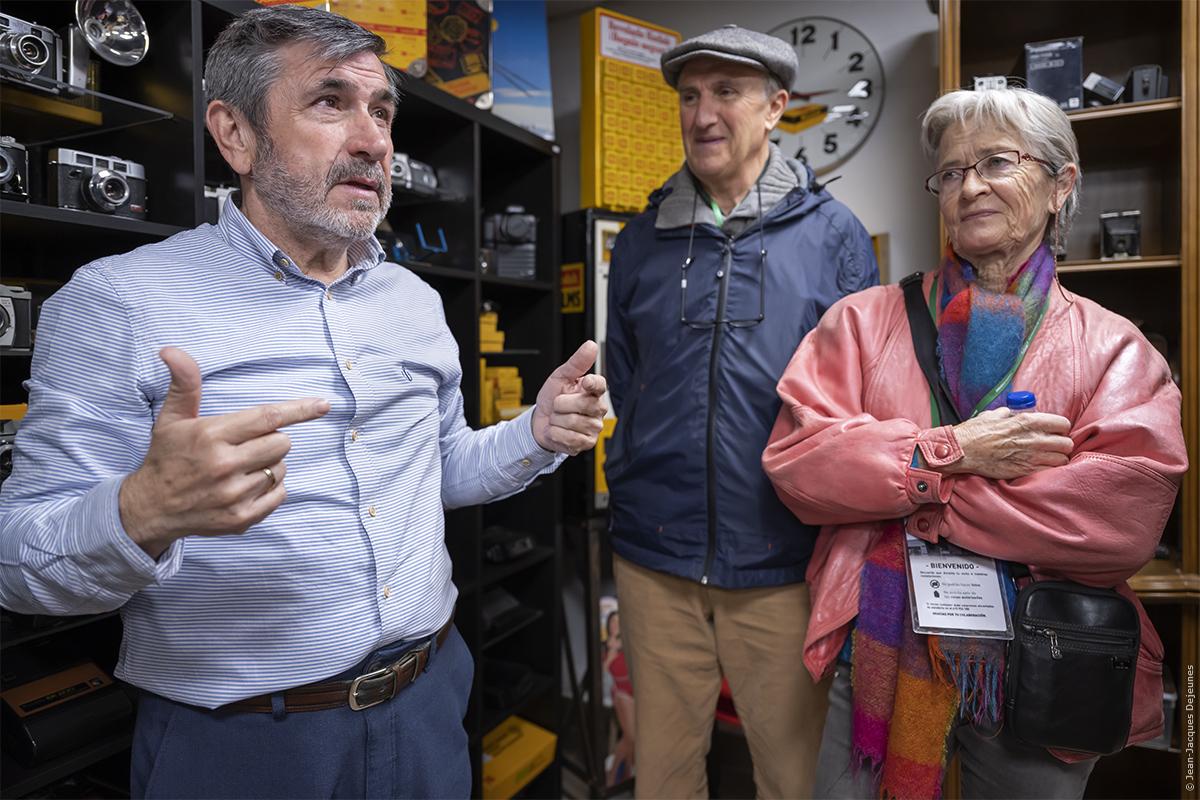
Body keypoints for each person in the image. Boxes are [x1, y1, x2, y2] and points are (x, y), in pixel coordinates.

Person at [0, 6, 606, 798]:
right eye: (330, 102)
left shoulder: (414, 302)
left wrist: (536, 434)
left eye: (381, 110)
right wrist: (140, 514)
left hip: (430, 699)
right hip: (242, 743)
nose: (374, 140)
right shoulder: (118, 301)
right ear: (235, 135)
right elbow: (17, 564)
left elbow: (442, 467)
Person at [762, 87, 1187, 799]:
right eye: (952, 172)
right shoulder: (860, 323)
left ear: (1061, 184)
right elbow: (800, 465)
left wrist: (906, 498)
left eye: (996, 162)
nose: (970, 186)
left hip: (1042, 661)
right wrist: (952, 451)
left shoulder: (1115, 349)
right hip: (874, 649)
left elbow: (1118, 524)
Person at [604, 24, 878, 799]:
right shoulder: (642, 240)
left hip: (781, 562)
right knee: (663, 778)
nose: (703, 115)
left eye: (726, 92)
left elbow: (861, 399)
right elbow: (628, 376)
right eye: (689, 96)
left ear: (776, 107)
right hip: (655, 558)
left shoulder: (834, 236)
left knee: (793, 781)